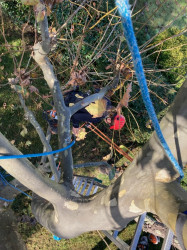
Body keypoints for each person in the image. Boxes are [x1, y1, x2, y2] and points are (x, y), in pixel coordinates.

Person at [46, 88, 126, 135]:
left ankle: (54, 104)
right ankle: (54, 115)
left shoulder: (107, 101)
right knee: (57, 129)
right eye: (109, 124)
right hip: (69, 106)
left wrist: (87, 118)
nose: (107, 123)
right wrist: (75, 126)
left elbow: (96, 91)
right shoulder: (98, 117)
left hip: (74, 95)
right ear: (109, 120)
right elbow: (76, 116)